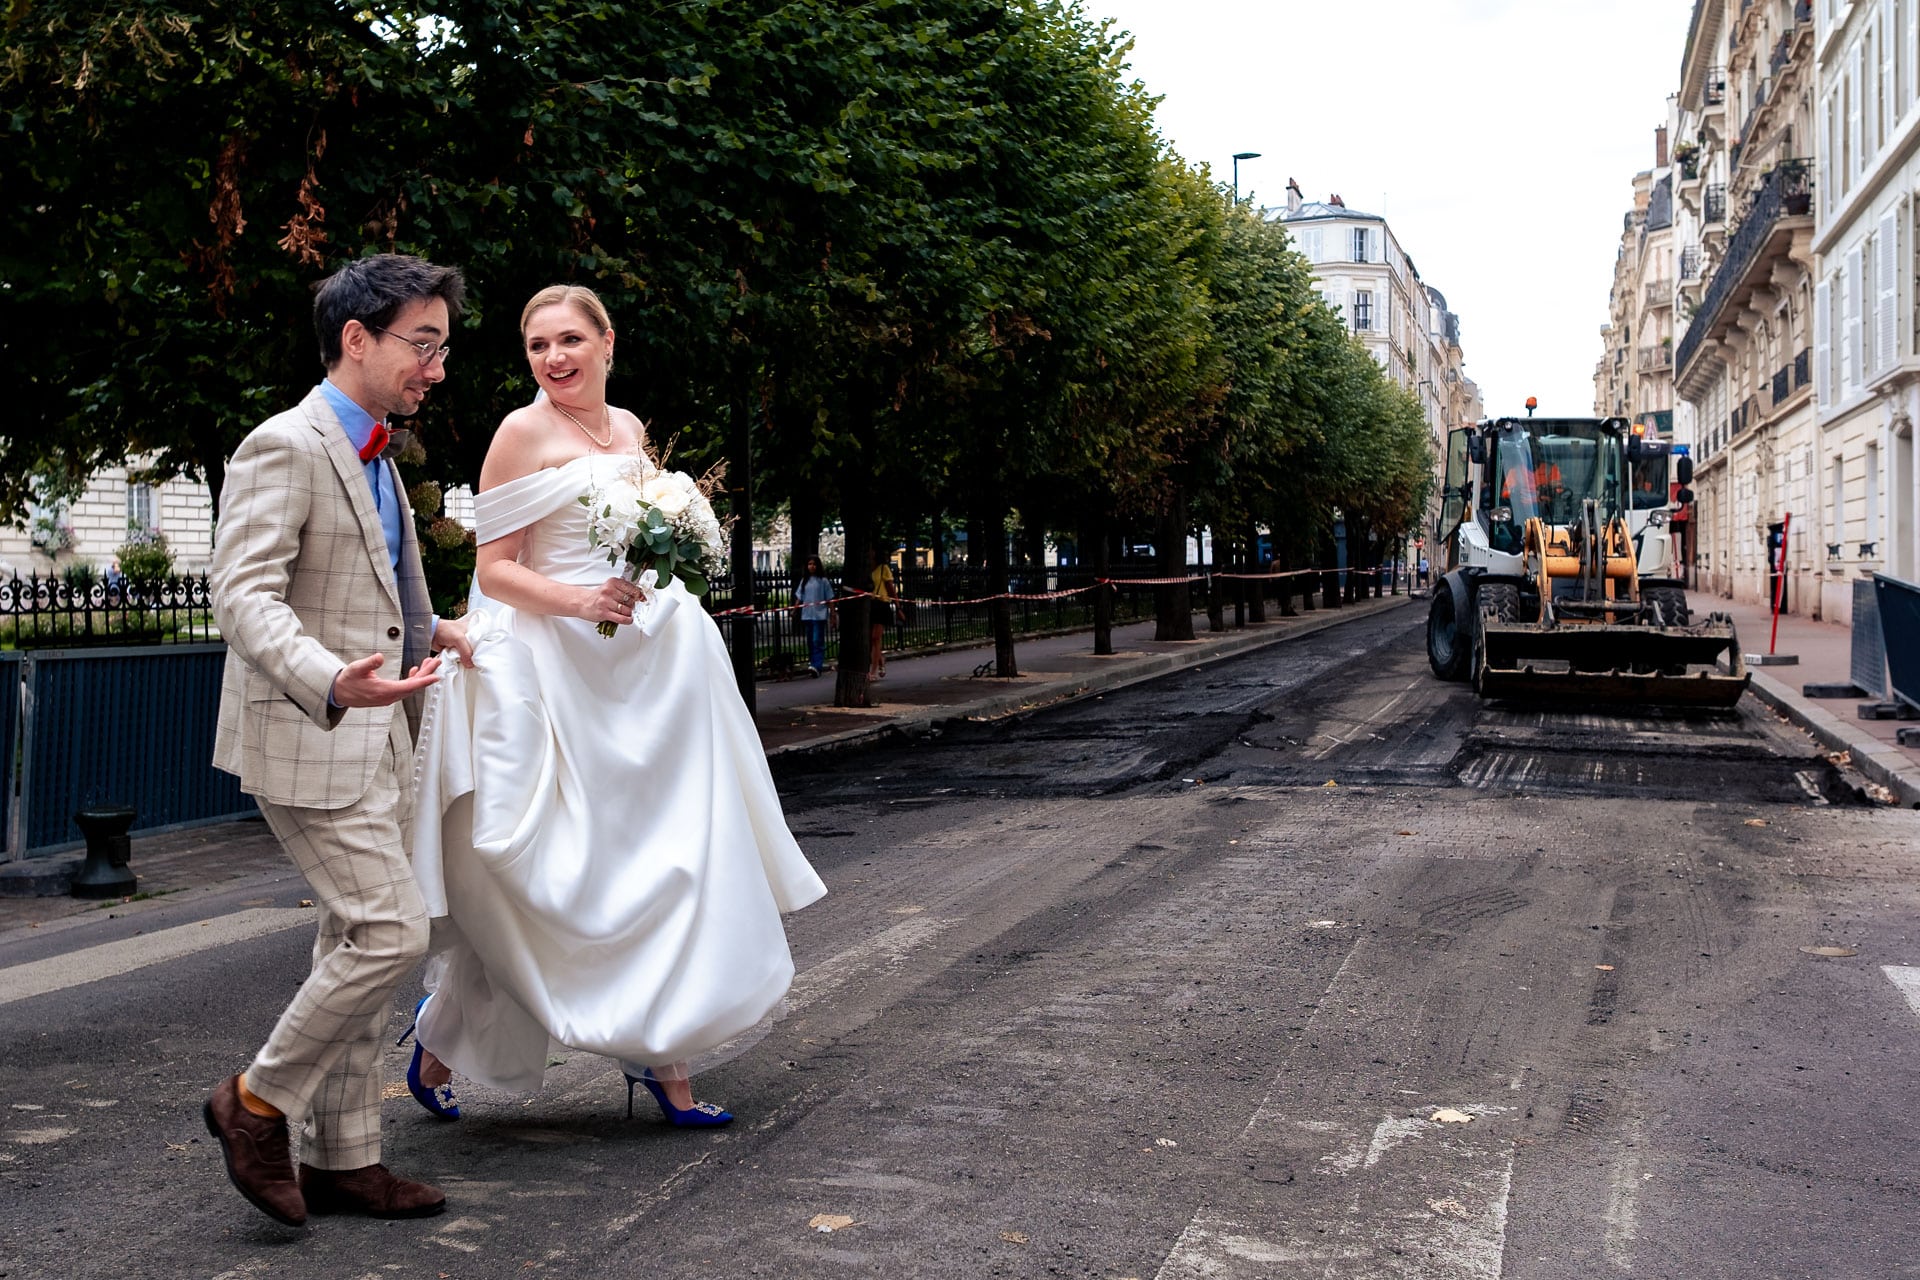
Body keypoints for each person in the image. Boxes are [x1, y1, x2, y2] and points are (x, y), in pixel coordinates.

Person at [405, 284, 826, 1127]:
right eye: (536, 346)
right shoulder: (520, 434)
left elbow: (635, 543)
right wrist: (579, 602)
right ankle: (444, 1040)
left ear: (606, 343)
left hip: (642, 672)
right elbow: (494, 571)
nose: (554, 359)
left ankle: (664, 1065)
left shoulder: (630, 430)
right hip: (554, 669)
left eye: (568, 340)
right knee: (562, 875)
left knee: (664, 858)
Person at [203, 254, 474, 1228]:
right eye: (424, 343)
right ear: (356, 338)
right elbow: (242, 594)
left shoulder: (377, 451)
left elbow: (373, 582)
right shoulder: (285, 443)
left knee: (353, 936)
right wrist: (329, 674)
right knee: (391, 928)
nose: (436, 367)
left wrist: (432, 626)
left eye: (443, 346)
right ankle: (255, 1102)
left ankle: (346, 1157)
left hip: (382, 734)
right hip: (312, 731)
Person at [796, 554, 834, 676]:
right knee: (810, 642)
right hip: (807, 615)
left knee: (817, 640)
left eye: (814, 564)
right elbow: (799, 597)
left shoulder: (823, 581)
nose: (811, 566)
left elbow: (829, 598)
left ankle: (817, 665)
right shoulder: (804, 581)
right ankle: (812, 663)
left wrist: (833, 613)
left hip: (819, 615)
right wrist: (794, 609)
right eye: (809, 564)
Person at [867, 545, 895, 680]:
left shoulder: (884, 569)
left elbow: (891, 588)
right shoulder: (865, 569)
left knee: (875, 638)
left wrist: (898, 607)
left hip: (882, 604)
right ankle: (881, 661)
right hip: (870, 605)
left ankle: (873, 671)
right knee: (871, 639)